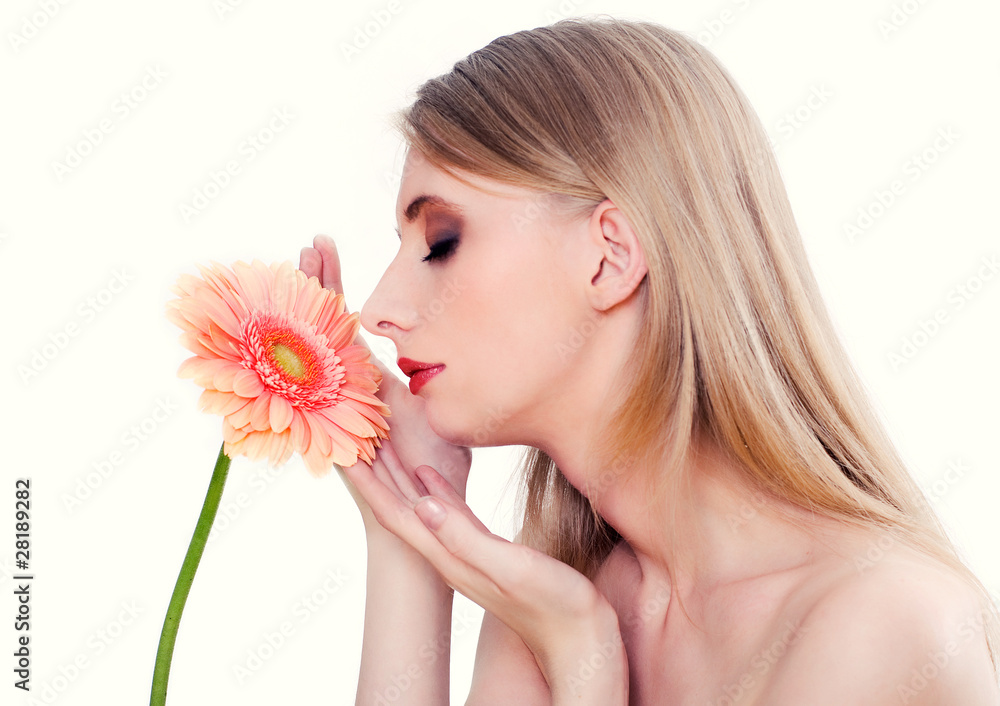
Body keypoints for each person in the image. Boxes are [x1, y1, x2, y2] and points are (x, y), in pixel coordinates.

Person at [299, 16, 1000, 705]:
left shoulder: (882, 624)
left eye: (441, 242)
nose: (378, 308)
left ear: (610, 255)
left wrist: (587, 666)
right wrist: (406, 525)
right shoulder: (552, 604)